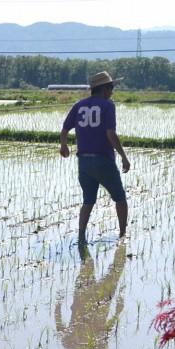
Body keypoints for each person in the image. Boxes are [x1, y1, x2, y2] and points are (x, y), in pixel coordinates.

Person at [59, 71, 131, 240]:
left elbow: (64, 130)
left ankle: (81, 234)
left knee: (88, 201)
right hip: (103, 160)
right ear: (104, 89)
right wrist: (123, 156)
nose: (112, 91)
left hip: (84, 162)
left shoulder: (79, 105)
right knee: (120, 198)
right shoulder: (108, 105)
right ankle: (122, 234)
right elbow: (111, 133)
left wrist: (63, 146)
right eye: (111, 88)